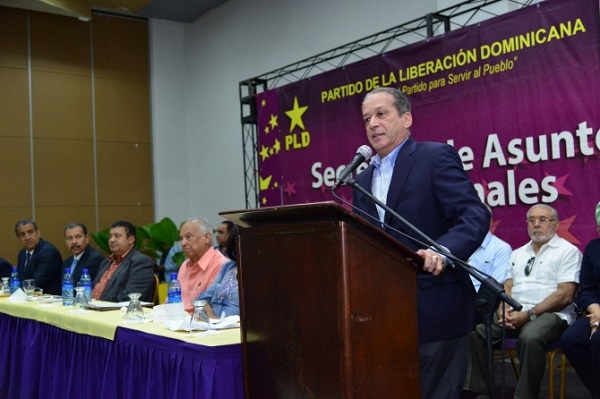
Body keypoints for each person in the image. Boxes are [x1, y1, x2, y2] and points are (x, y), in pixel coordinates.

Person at [352, 87, 490, 399]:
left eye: (381, 114)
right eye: (366, 119)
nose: (373, 123)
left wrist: (443, 250)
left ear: (407, 118)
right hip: (384, 314)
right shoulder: (360, 182)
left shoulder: (434, 157)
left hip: (436, 307)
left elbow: (473, 215)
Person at [463, 204, 581, 399]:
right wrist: (503, 309)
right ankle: (478, 391)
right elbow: (507, 287)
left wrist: (529, 314)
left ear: (556, 224)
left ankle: (524, 396)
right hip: (517, 313)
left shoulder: (568, 252)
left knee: (530, 337)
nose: (536, 224)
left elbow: (565, 295)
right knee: (475, 332)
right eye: (531, 220)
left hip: (550, 314)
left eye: (542, 220)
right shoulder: (518, 253)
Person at [561, 201, 600, 398]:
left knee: (598, 341)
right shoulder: (593, 247)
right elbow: (587, 289)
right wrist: (597, 315)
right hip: (597, 309)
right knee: (571, 339)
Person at [91, 220, 155, 302]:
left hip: (117, 312)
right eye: (110, 236)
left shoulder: (141, 262)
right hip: (94, 309)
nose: (112, 240)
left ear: (131, 239)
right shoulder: (106, 262)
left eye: (117, 236)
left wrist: (102, 304)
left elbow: (132, 296)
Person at [177, 218, 228, 312]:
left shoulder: (221, 265)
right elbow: (171, 301)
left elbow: (212, 309)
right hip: (178, 321)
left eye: (188, 237)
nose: (183, 243)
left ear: (207, 238)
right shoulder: (185, 265)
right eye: (181, 238)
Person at [198, 224, 240, 318]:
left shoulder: (258, 272)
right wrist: (211, 316)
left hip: (235, 329)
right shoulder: (228, 267)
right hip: (212, 324)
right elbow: (202, 299)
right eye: (236, 244)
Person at [469, 204, 512, 292]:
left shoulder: (501, 248)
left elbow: (496, 286)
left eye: (479, 218)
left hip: (480, 302)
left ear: (490, 221)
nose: (474, 222)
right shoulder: (459, 246)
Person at [15, 219, 63, 295]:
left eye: (30, 232)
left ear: (38, 233)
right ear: (19, 238)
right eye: (22, 234)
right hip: (30, 298)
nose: (27, 237)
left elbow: (36, 283)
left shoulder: (48, 252)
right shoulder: (22, 254)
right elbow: (21, 279)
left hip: (49, 301)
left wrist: (13, 291)